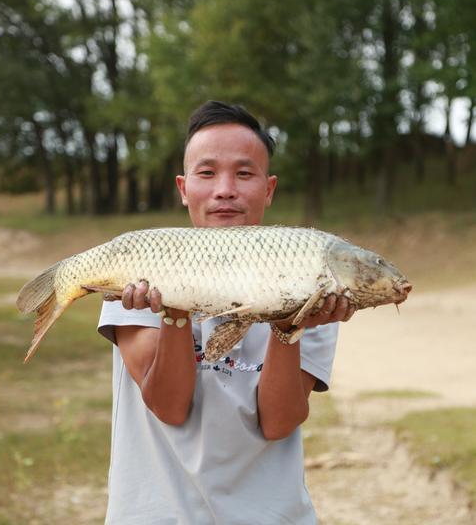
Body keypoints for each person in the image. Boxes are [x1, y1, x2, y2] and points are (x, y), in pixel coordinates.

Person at [98, 100, 355, 525]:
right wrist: (175, 309)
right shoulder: (140, 275)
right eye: (206, 173)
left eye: (244, 173)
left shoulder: (310, 287)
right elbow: (169, 406)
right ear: (183, 188)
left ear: (268, 189)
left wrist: (287, 327)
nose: (225, 189)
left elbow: (278, 422)